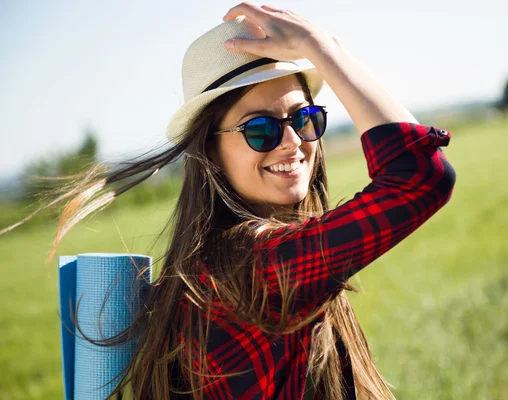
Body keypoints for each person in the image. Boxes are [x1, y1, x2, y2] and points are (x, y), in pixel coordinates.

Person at [5, 3, 456, 399]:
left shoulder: (211, 268)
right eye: (259, 129)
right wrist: (323, 45)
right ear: (211, 157)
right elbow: (421, 177)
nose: (291, 142)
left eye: (304, 118)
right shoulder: (254, 267)